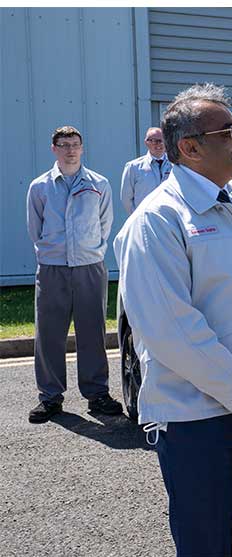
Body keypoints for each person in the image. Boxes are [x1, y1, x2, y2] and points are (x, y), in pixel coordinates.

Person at [113, 83, 232, 557]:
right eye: (229, 132)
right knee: (204, 547)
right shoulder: (157, 221)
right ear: (189, 148)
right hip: (195, 422)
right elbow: (172, 331)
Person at [25, 126, 121, 424]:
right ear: (53, 149)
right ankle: (50, 397)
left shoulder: (99, 184)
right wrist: (51, 252)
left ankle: (97, 393)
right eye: (64, 145)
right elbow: (35, 228)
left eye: (75, 144)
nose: (70, 150)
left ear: (82, 148)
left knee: (92, 331)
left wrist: (91, 250)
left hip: (89, 266)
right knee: (49, 334)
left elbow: (105, 223)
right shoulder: (39, 187)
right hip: (53, 268)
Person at [119, 127, 172, 214]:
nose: (159, 144)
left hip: (170, 220)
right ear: (146, 142)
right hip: (145, 220)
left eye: (162, 140)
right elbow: (126, 199)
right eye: (154, 141)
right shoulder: (133, 167)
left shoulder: (176, 166)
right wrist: (137, 218)